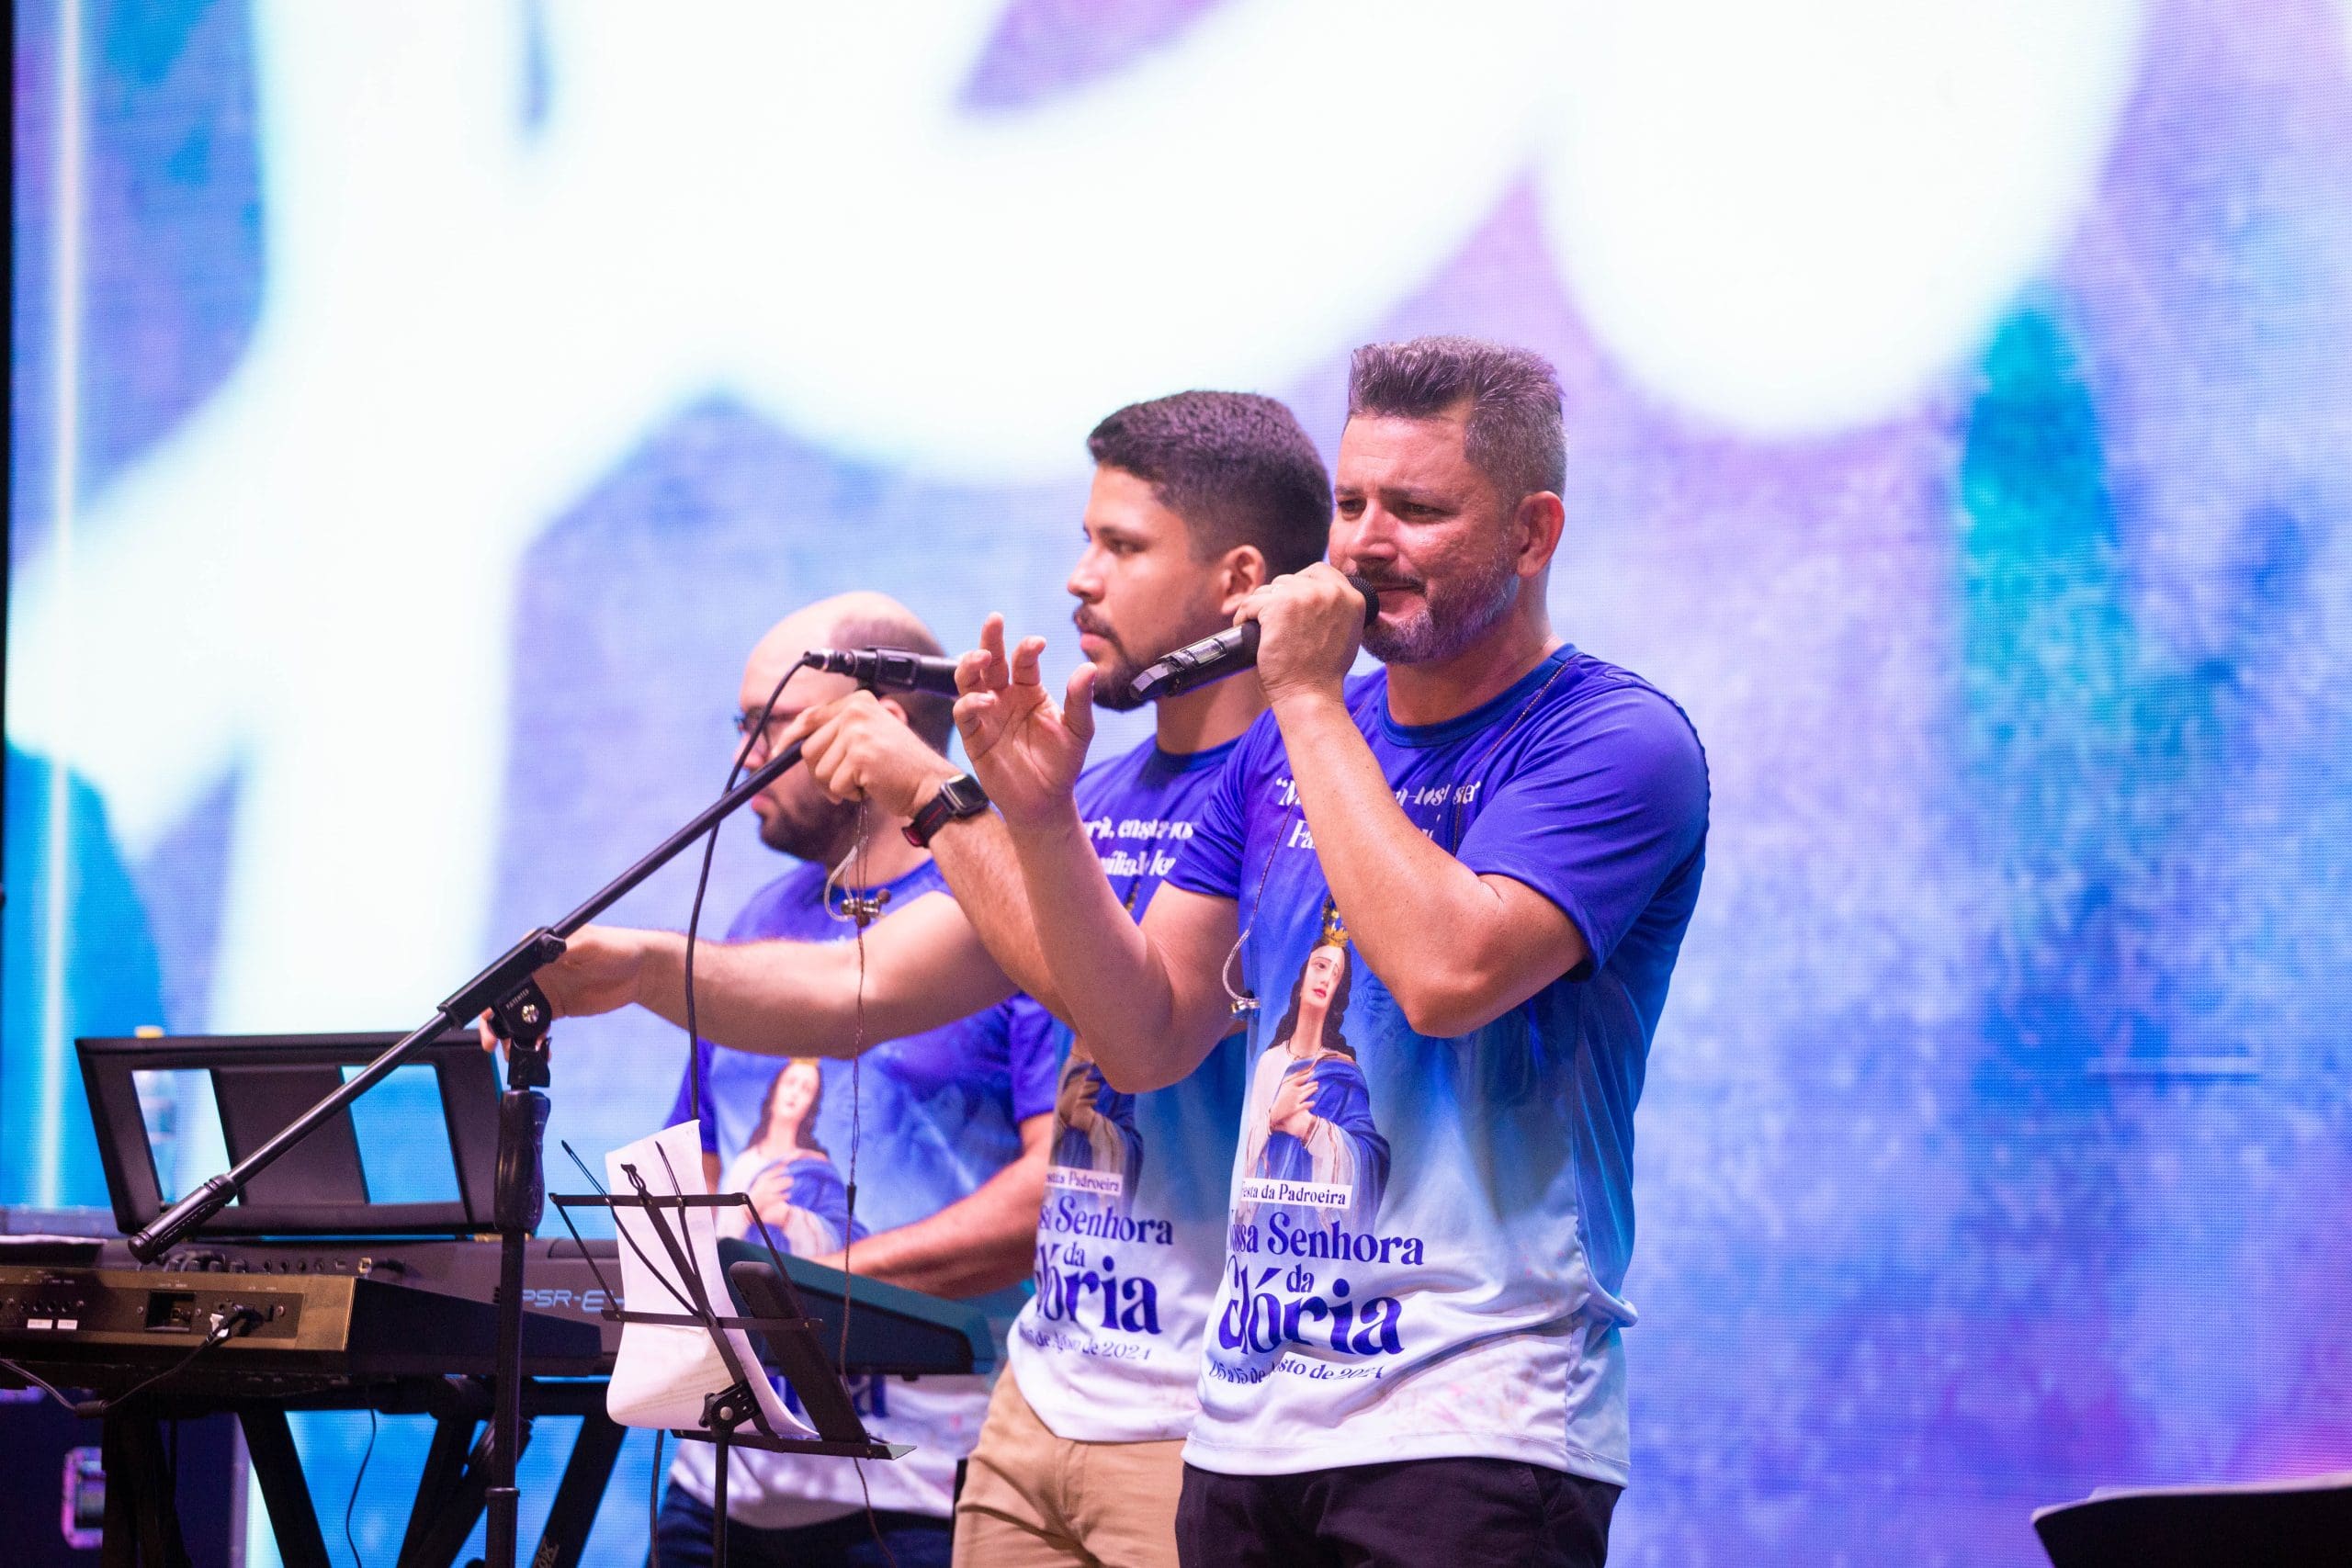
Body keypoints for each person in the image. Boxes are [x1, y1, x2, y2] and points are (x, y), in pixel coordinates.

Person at [518, 392, 1333, 1568]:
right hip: (1046, 1393)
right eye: (1085, 540)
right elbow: (862, 991)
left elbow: (1142, 1033)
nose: (1078, 579)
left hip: (1195, 1407)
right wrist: (640, 964)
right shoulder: (1099, 797)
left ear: (1237, 577)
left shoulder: (1296, 789)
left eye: (1119, 545)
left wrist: (938, 796)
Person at [951, 336, 1711, 1567]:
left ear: (1533, 533)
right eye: (1350, 504)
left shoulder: (1614, 738)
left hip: (1474, 1425)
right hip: (1246, 1427)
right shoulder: (1282, 751)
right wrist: (1040, 821)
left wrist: (1303, 694)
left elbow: (1447, 975)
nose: (1363, 543)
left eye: (1417, 509)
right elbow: (1145, 1037)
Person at [635, 592, 1059, 1568]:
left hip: (921, 1485)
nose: (744, 759)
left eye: (770, 725)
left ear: (881, 721)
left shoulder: (1016, 918)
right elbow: (701, 1158)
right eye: (741, 724)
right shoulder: (758, 917)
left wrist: (809, 1287)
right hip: (718, 1485)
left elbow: (1055, 1190)